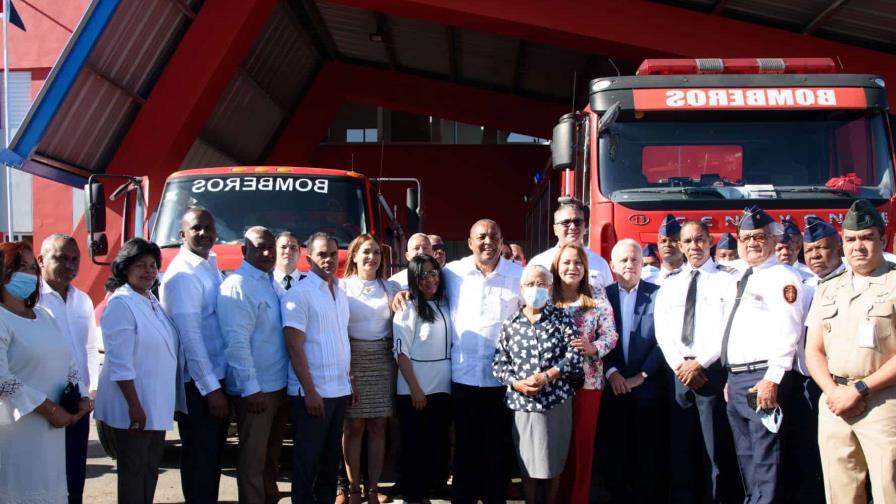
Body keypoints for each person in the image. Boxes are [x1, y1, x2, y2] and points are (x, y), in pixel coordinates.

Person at [805, 199, 896, 504]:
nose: (858, 246)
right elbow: (813, 351)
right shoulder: (828, 288)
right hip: (835, 402)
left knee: (889, 491)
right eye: (851, 239)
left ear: (883, 240)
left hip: (885, 402)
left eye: (867, 237)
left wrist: (860, 388)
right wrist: (834, 392)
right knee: (840, 493)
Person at [721, 206, 805, 504]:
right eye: (745, 238)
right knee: (746, 457)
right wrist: (732, 375)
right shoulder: (742, 276)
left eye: (759, 237)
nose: (752, 243)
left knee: (767, 459)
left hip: (763, 378)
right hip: (739, 378)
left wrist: (772, 379)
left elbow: (789, 332)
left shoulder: (782, 277)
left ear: (773, 240)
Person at [654, 221, 740, 503]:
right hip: (679, 373)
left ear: (710, 241)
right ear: (679, 246)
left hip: (710, 373)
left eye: (700, 240)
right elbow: (662, 330)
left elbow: (728, 327)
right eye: (688, 241)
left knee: (715, 450)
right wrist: (680, 365)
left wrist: (699, 363)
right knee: (681, 449)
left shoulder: (727, 280)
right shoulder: (671, 283)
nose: (694, 247)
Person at [95, 238, 185, 504]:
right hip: (134, 408)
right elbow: (120, 363)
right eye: (140, 265)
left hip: (154, 404)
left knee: (148, 470)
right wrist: (134, 406)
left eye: (152, 265)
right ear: (125, 268)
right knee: (134, 473)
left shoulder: (149, 299)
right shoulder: (121, 304)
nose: (148, 271)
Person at [0, 241, 90, 504]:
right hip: (17, 430)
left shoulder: (44, 315)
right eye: (18, 267)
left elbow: (68, 361)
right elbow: (2, 378)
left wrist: (81, 399)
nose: (27, 274)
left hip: (54, 431)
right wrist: (49, 409)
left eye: (31, 268)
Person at [444, 219, 522, 504]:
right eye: (481, 237)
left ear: (502, 242)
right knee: (464, 448)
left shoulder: (518, 276)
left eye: (494, 237)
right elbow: (417, 281)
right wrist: (399, 292)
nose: (487, 242)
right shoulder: (453, 272)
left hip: (501, 379)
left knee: (497, 450)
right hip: (463, 375)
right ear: (470, 242)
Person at [492, 264, 581, 504]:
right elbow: (499, 364)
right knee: (527, 463)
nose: (535, 289)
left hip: (556, 401)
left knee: (554, 460)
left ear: (550, 288)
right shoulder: (511, 323)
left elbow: (575, 355)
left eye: (541, 284)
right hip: (523, 404)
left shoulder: (562, 318)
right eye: (530, 284)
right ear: (521, 288)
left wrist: (549, 375)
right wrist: (516, 383)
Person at [159, 208, 229, 503]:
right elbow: (191, 339)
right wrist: (212, 390)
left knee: (212, 459)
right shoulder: (182, 276)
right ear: (182, 234)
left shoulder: (208, 264)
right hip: (199, 385)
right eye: (196, 228)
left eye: (209, 228)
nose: (204, 234)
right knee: (200, 459)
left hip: (216, 378)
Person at [218, 227, 289, 504]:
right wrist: (251, 389)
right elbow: (236, 344)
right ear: (243, 250)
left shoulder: (271, 281)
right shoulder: (238, 285)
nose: (268, 252)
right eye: (260, 247)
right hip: (257, 391)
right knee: (252, 460)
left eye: (271, 246)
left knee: (270, 458)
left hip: (279, 385)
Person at [283, 232, 354, 504]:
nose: (329, 259)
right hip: (313, 395)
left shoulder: (340, 292)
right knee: (306, 464)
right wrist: (310, 392)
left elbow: (340, 340)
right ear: (309, 257)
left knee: (329, 464)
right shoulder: (299, 294)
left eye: (333, 254)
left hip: (338, 391)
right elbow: (294, 346)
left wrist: (350, 380)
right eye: (322, 254)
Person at [598, 239, 664, 503]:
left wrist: (642, 376)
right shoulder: (602, 296)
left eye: (635, 259)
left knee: (647, 454)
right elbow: (596, 335)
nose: (630, 265)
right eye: (623, 260)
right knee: (615, 453)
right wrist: (612, 372)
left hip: (647, 388)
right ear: (612, 265)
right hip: (613, 388)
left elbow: (664, 340)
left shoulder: (659, 294)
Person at [36, 234, 100, 504]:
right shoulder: (31, 302)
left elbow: (88, 349)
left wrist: (90, 393)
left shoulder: (82, 300)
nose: (70, 265)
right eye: (61, 258)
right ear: (41, 260)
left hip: (78, 405)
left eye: (75, 259)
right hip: (43, 406)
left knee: (74, 479)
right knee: (43, 481)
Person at [778, 216, 838, 504]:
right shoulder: (803, 284)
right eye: (811, 249)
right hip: (803, 380)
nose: (815, 255)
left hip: (841, 382)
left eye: (823, 248)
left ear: (837, 248)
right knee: (805, 451)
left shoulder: (849, 282)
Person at [551, 243, 618, 504]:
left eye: (578, 263)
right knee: (558, 445)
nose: (572, 267)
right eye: (566, 262)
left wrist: (593, 348)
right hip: (554, 384)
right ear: (557, 266)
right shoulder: (547, 296)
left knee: (581, 446)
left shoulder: (597, 297)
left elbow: (611, 335)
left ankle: (577, 498)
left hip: (589, 383)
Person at [340, 234, 399, 503]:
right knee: (353, 428)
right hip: (353, 360)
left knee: (378, 426)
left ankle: (373, 489)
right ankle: (353, 489)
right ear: (353, 255)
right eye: (365, 252)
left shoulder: (390, 287)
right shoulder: (342, 288)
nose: (371, 257)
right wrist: (347, 371)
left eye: (376, 252)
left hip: (383, 360)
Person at [393, 254, 453, 504]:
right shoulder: (407, 307)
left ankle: (433, 487)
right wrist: (415, 389)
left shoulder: (446, 303)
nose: (429, 279)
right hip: (416, 390)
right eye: (422, 275)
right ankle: (414, 495)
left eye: (433, 273)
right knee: (415, 445)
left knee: (437, 443)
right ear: (413, 280)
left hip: (443, 388)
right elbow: (400, 352)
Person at [529, 197, 613, 289]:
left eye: (577, 222)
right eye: (566, 222)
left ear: (584, 228)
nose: (572, 227)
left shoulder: (600, 263)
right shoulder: (539, 262)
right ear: (555, 229)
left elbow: (610, 299)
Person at [654, 214, 685, 285]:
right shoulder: (648, 280)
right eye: (663, 241)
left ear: (683, 245)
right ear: (658, 245)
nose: (667, 245)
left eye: (673, 240)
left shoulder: (693, 277)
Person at [273, 231, 303, 297]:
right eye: (283, 247)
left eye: (293, 247)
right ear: (274, 251)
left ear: (299, 253)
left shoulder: (309, 282)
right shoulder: (265, 282)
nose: (288, 252)